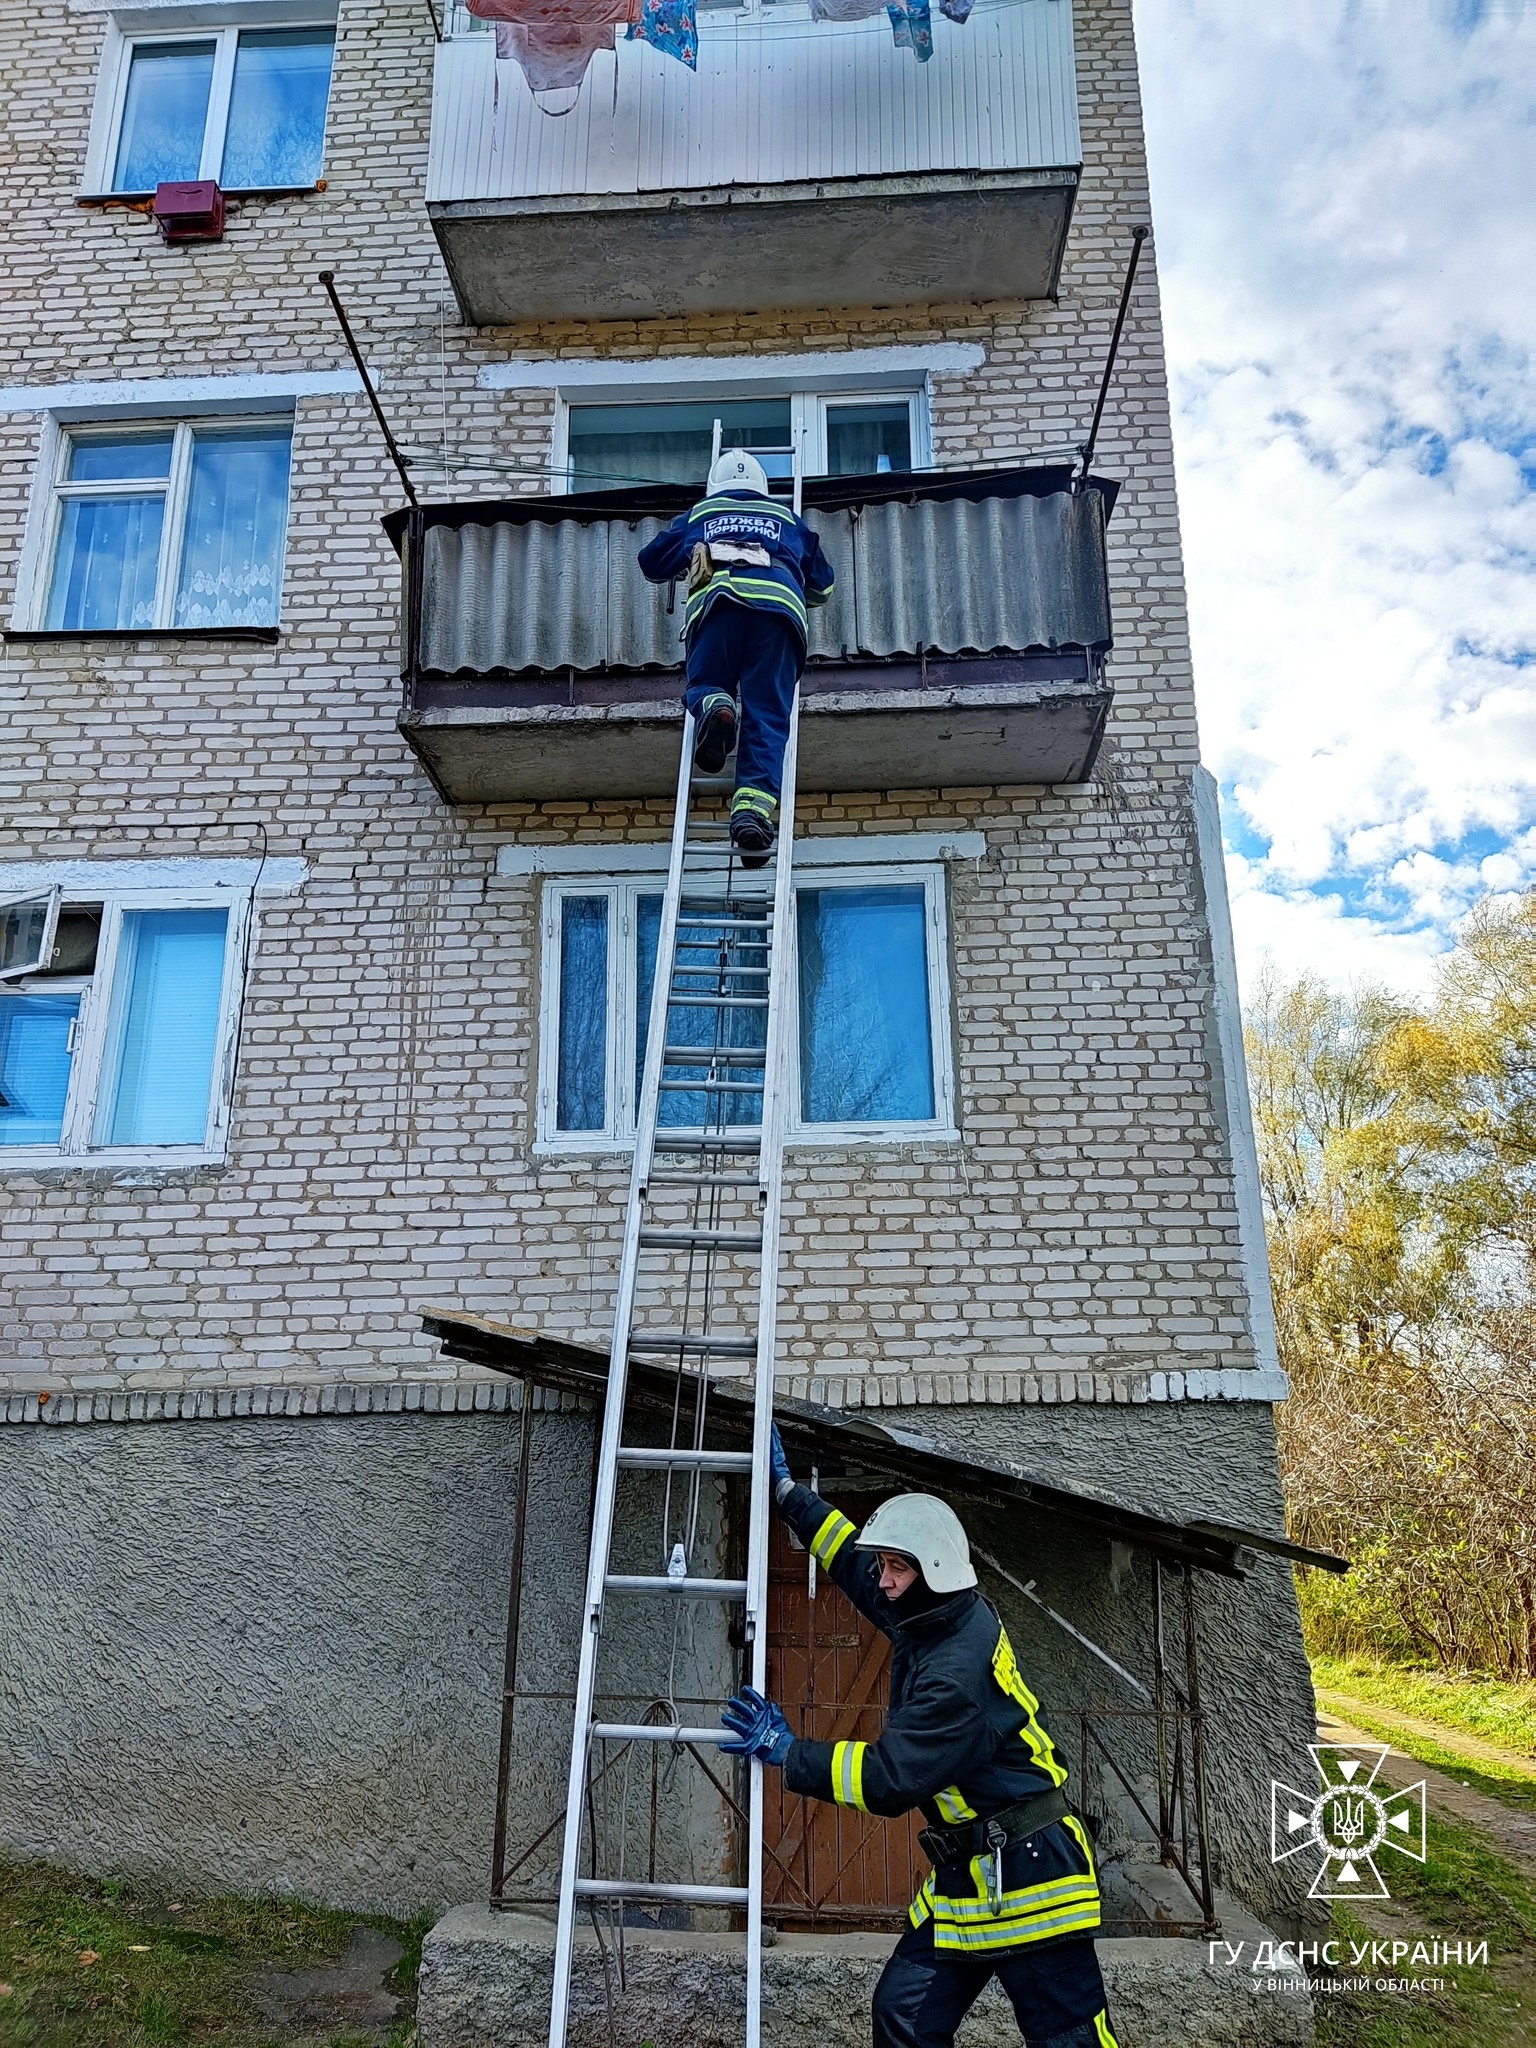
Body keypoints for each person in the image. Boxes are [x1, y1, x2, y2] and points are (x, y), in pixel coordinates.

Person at [720, 1429, 1119, 2048]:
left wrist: (788, 1751)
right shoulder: (936, 1611)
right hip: (973, 1874)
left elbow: (889, 1778)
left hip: (1034, 1873)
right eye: (886, 1564)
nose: (883, 1580)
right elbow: (855, 1562)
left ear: (930, 1573)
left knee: (1069, 2038)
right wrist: (789, 1494)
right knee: (902, 2017)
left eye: (897, 1567)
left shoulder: (955, 1672)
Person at [637, 449, 834, 866]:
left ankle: (717, 704)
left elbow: (651, 561)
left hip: (719, 607)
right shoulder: (789, 521)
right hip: (778, 618)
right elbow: (823, 587)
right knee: (767, 715)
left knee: (706, 682)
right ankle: (751, 812)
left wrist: (688, 554)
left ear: (715, 487)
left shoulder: (701, 512)